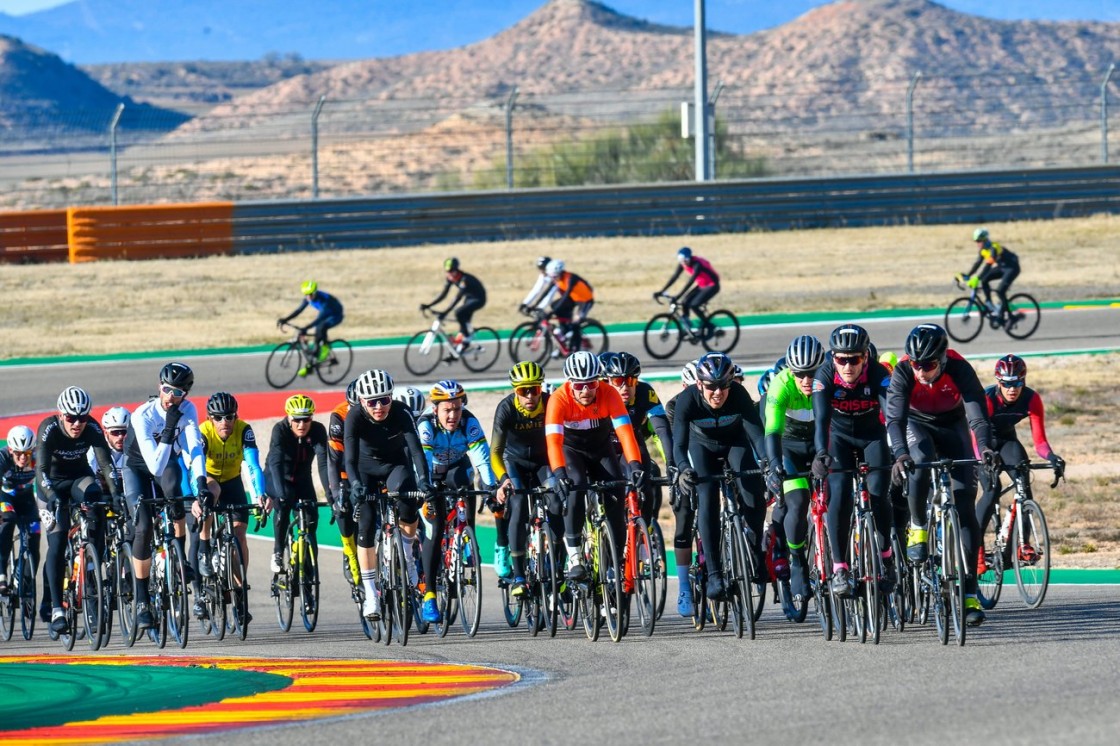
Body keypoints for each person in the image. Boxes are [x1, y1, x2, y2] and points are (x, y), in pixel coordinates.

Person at [885, 323, 1000, 627]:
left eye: (928, 365)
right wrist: (900, 455)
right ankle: (919, 526)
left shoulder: (960, 367)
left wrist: (985, 448)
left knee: (965, 509)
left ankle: (969, 594)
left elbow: (977, 414)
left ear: (943, 360)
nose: (921, 371)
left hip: (953, 426)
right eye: (915, 364)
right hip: (915, 424)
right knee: (919, 458)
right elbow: (894, 418)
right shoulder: (904, 371)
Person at [672, 353, 769, 601]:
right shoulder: (687, 399)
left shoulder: (738, 394)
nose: (718, 393)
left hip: (735, 443)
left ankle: (756, 553)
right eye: (711, 387)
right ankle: (715, 574)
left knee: (752, 492)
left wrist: (768, 463)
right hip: (701, 446)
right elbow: (679, 445)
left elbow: (757, 436)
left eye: (723, 386)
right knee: (708, 500)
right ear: (699, 384)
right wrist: (683, 468)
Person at [810, 325, 896, 597]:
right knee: (840, 496)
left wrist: (901, 451)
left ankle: (886, 555)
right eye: (841, 359)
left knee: (879, 492)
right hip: (840, 440)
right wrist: (821, 453)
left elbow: (892, 418)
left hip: (872, 437)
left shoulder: (880, 375)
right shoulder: (823, 377)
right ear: (832, 358)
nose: (847, 365)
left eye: (855, 359)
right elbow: (821, 421)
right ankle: (840, 568)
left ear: (866, 358)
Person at [545, 351, 645, 582]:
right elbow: (553, 442)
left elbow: (625, 434)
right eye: (579, 386)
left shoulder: (608, 393)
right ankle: (575, 557)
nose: (586, 391)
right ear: (570, 383)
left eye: (591, 384)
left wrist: (635, 464)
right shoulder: (558, 399)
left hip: (601, 449)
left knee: (616, 496)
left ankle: (615, 561)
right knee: (576, 486)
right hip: (571, 451)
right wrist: (559, 473)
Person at [122, 363, 207, 631]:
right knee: (144, 527)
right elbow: (154, 466)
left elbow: (193, 449)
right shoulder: (142, 415)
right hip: (137, 466)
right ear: (160, 386)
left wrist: (201, 481)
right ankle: (142, 601)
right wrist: (170, 427)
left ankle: (179, 555)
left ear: (186, 394)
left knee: (175, 490)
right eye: (167, 389)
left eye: (178, 392)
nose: (171, 396)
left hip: (164, 461)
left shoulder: (189, 410)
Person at [344, 369, 432, 621]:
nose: (379, 406)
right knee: (366, 523)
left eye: (384, 399)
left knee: (408, 502)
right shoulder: (354, 417)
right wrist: (356, 486)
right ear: (362, 401)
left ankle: (408, 556)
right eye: (372, 402)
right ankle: (371, 594)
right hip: (364, 469)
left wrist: (424, 481)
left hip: (395, 465)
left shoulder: (402, 412)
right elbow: (348, 459)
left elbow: (416, 452)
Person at [37, 386, 121, 635]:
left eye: (82, 418)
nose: (77, 424)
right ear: (61, 415)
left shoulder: (92, 428)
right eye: (71, 418)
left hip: (78, 480)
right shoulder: (48, 428)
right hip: (50, 485)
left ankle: (93, 560)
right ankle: (56, 610)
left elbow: (106, 465)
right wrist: (52, 497)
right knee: (58, 540)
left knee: (97, 499)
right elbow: (40, 470)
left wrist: (116, 495)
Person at [416, 380, 499, 622]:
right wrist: (426, 491)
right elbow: (424, 459)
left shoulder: (469, 423)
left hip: (457, 468)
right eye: (447, 410)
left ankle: (467, 539)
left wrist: (491, 487)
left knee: (467, 484)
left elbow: (482, 459)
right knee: (435, 527)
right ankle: (430, 595)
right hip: (431, 472)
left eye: (457, 408)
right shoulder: (426, 426)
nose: (453, 415)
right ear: (436, 410)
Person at [976, 354, 1065, 570]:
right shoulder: (987, 399)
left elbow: (1040, 440)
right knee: (991, 489)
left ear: (1023, 381)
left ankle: (1022, 545)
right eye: (1006, 384)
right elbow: (975, 433)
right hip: (982, 443)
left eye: (1017, 383)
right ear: (998, 382)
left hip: (1007, 441)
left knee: (1023, 482)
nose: (1012, 389)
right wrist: (985, 453)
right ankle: (975, 552)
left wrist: (1052, 457)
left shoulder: (1031, 399)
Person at [190, 392, 270, 624]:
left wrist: (260, 494)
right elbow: (194, 466)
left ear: (236, 416)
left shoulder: (244, 430)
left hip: (234, 481)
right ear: (210, 418)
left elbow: (253, 466)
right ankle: (205, 548)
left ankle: (240, 589)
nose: (224, 422)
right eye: (218, 418)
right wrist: (197, 496)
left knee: (238, 534)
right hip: (209, 478)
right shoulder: (203, 432)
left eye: (229, 417)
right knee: (210, 495)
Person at [764, 335, 825, 605]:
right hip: (789, 447)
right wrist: (775, 465)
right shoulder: (780, 386)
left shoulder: (829, 380)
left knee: (837, 497)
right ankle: (798, 560)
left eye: (812, 373)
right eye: (800, 374)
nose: (806, 380)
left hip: (821, 443)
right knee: (798, 501)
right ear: (791, 371)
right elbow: (772, 432)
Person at [490, 361, 559, 599]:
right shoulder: (506, 408)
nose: (530, 396)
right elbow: (495, 452)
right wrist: (503, 479)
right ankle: (519, 575)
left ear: (541, 388)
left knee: (557, 502)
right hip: (514, 462)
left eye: (534, 390)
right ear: (515, 391)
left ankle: (558, 566)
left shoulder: (551, 403)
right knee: (518, 506)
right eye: (523, 391)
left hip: (543, 462)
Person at [267, 394, 331, 603]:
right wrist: (280, 495)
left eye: (306, 419)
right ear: (289, 418)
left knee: (310, 530)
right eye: (297, 419)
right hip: (279, 478)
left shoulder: (319, 430)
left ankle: (308, 586)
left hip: (303, 480)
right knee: (283, 506)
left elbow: (323, 464)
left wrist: (330, 494)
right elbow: (275, 463)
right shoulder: (280, 430)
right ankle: (278, 551)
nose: (302, 424)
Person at [328, 380, 362, 589]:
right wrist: (335, 492)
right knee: (342, 506)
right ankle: (349, 550)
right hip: (343, 468)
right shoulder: (339, 415)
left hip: (367, 467)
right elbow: (333, 459)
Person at [1, 426, 39, 601]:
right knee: (7, 521)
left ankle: (23, 581)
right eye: (18, 454)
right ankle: (1, 573)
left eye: (27, 453)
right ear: (10, 450)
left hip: (27, 500)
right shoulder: (2, 458)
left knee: (34, 539)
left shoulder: (37, 458)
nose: (23, 458)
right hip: (6, 498)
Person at [276, 280, 345, 377]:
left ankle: (324, 348)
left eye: (310, 294)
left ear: (315, 292)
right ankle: (311, 366)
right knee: (314, 333)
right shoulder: (308, 298)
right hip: (326, 315)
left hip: (335, 315)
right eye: (306, 294)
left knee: (320, 327)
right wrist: (285, 319)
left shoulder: (324, 302)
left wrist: (306, 328)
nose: (308, 297)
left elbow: (319, 319)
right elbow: (298, 311)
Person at [421, 257, 487, 351]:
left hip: (479, 299)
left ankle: (467, 338)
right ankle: (460, 349)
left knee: (458, 313)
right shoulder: (450, 278)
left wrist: (445, 312)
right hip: (469, 298)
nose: (450, 274)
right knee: (462, 320)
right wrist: (429, 305)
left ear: (457, 270)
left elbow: (457, 298)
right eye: (447, 271)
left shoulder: (464, 279)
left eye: (452, 271)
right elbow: (443, 294)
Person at [958, 227, 1020, 321]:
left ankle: (1010, 317)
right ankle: (989, 302)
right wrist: (968, 275)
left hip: (1012, 268)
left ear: (985, 239)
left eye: (979, 241)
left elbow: (988, 265)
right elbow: (977, 264)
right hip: (1002, 267)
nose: (977, 243)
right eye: (976, 241)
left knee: (1000, 291)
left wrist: (977, 278)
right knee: (984, 280)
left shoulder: (993, 248)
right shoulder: (983, 250)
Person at [654, 246, 720, 334]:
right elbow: (674, 277)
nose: (684, 262)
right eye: (681, 259)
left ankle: (710, 326)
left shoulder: (697, 264)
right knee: (685, 302)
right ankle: (688, 327)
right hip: (702, 284)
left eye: (686, 259)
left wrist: (678, 295)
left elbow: (691, 281)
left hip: (712, 285)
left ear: (690, 258)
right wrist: (662, 291)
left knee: (694, 305)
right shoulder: (683, 263)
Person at [543, 259, 594, 353]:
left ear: (559, 272)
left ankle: (576, 350)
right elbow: (546, 292)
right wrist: (535, 306)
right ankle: (565, 334)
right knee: (555, 306)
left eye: (554, 276)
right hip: (574, 299)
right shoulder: (557, 279)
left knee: (576, 323)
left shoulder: (570, 279)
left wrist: (552, 313)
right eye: (552, 277)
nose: (553, 279)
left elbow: (565, 296)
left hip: (585, 301)